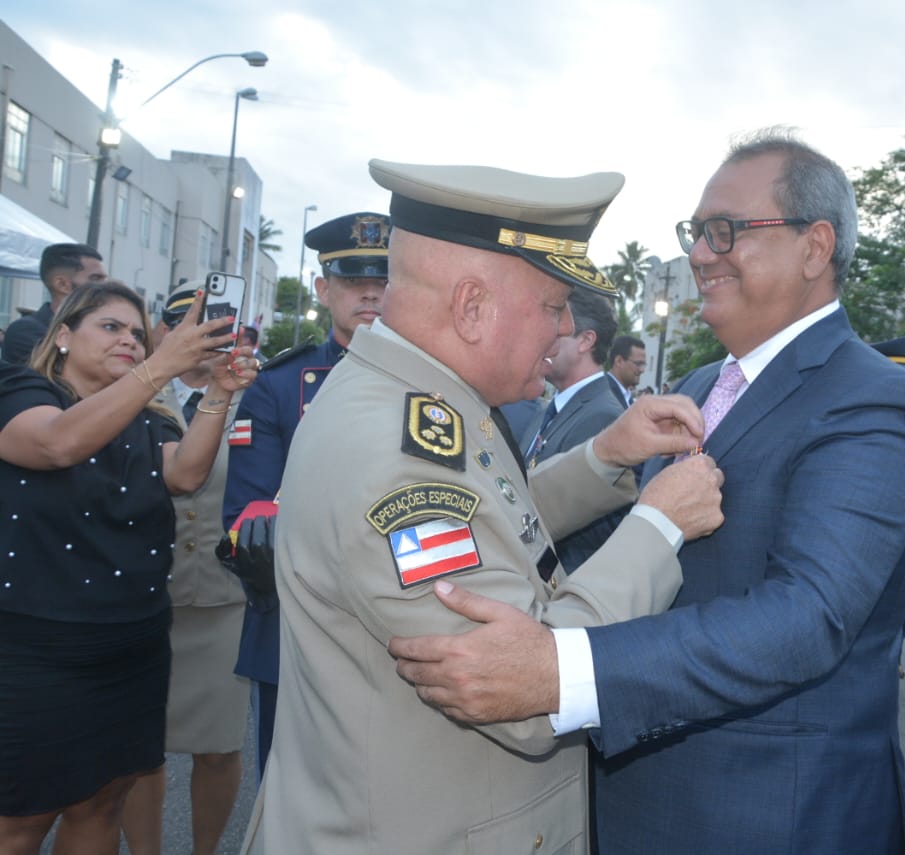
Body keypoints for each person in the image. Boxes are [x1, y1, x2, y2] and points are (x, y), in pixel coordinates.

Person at [390, 129, 905, 853]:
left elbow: (810, 615)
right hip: (640, 800)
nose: (701, 254)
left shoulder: (873, 397)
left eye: (726, 231)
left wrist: (565, 670)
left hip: (771, 814)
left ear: (814, 247)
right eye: (697, 233)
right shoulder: (702, 386)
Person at [239, 159, 725, 855]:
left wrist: (604, 455)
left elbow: (492, 525)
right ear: (471, 307)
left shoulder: (418, 400)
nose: (562, 334)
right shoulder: (397, 458)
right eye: (553, 307)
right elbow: (527, 682)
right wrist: (660, 524)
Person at [0, 281, 256, 854]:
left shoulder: (149, 417)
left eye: (138, 335)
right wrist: (162, 365)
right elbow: (55, 446)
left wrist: (216, 392)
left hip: (131, 643)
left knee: (101, 802)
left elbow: (186, 474)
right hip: (36, 646)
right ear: (63, 336)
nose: (130, 341)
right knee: (20, 818)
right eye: (111, 327)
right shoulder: (22, 391)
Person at [221, 211, 390, 779]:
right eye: (352, 280)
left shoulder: (434, 381)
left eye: (384, 279)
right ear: (322, 290)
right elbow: (248, 526)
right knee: (291, 791)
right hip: (300, 628)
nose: (370, 292)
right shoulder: (279, 385)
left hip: (407, 631)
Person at [119, 289, 251, 855]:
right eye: (190, 324)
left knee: (219, 748)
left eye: (220, 325)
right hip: (144, 597)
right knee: (138, 750)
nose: (205, 335)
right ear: (165, 333)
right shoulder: (132, 394)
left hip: (223, 600)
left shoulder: (255, 396)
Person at [522, 288, 629, 572]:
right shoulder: (550, 409)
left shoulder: (603, 416)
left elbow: (583, 529)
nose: (543, 341)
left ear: (586, 340)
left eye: (557, 331)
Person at [2, 243, 107, 365]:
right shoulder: (26, 331)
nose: (105, 286)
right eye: (95, 279)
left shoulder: (100, 328)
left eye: (104, 279)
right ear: (62, 285)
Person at [605, 334, 646, 407]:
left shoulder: (626, 395)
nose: (642, 370)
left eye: (643, 364)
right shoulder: (604, 393)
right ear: (619, 361)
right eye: (638, 364)